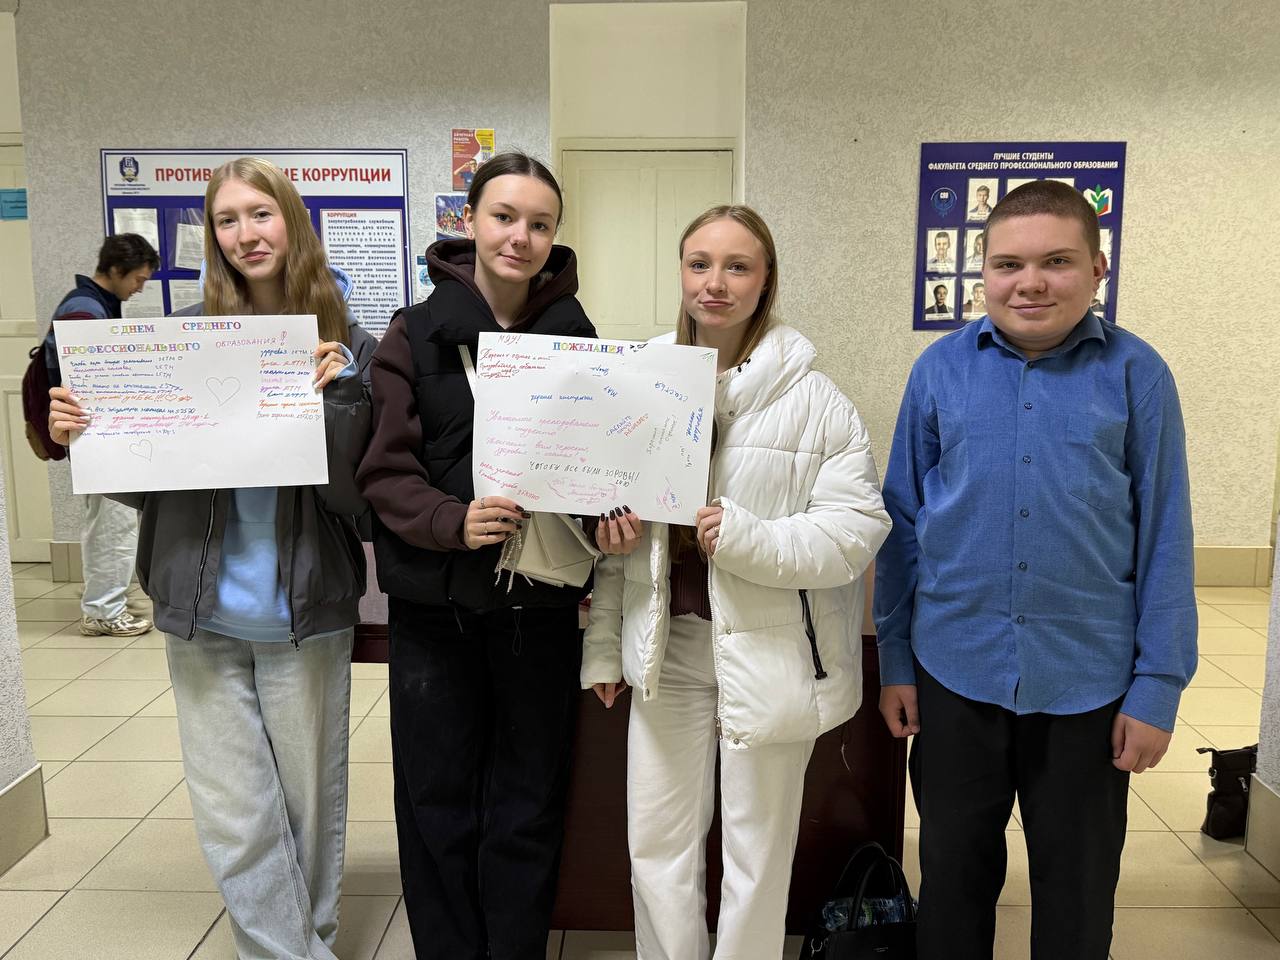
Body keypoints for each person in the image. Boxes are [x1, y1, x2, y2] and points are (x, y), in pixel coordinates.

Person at [50, 156, 374, 960]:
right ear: (212, 235)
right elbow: (143, 488)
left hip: (306, 610)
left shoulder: (352, 342)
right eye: (226, 219)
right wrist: (87, 437)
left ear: (292, 221)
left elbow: (359, 504)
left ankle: (311, 939)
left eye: (260, 214)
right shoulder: (181, 340)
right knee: (235, 816)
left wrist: (340, 401)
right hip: (200, 611)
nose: (244, 234)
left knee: (308, 808)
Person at [874, 179, 1196, 960]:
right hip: (955, 668)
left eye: (1057, 261)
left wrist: (1157, 686)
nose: (1031, 283)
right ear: (982, 273)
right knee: (952, 879)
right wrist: (896, 663)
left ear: (1097, 268)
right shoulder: (938, 371)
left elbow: (1166, 535)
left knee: (1077, 888)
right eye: (1008, 264)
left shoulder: (1139, 375)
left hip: (1087, 678)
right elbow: (902, 522)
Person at [581, 204, 891, 960]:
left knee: (757, 854)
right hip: (668, 652)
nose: (715, 283)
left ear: (766, 280)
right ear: (681, 273)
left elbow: (855, 532)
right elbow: (620, 549)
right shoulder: (640, 386)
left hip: (770, 654)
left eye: (737, 266)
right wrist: (604, 644)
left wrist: (748, 540)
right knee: (656, 844)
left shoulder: (816, 401)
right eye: (700, 264)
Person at [357, 151, 598, 960]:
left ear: (554, 235)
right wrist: (450, 521)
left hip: (541, 608)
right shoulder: (412, 333)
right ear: (469, 221)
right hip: (435, 609)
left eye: (540, 223)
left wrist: (614, 514)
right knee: (437, 801)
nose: (520, 237)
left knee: (529, 801)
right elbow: (384, 473)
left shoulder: (578, 338)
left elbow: (598, 466)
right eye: (504, 216)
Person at [43, 233, 158, 637]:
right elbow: (89, 380)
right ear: (115, 269)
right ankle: (103, 611)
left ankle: (107, 601)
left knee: (110, 522)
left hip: (97, 435)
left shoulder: (92, 305)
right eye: (138, 279)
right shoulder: (85, 312)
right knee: (113, 525)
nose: (139, 288)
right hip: (98, 437)